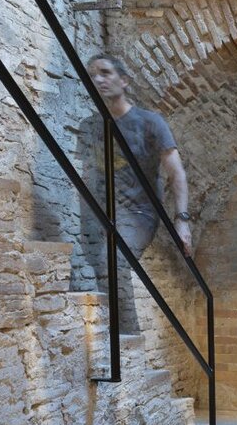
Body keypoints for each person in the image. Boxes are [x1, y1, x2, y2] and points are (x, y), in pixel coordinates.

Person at [80, 53, 193, 332]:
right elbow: (87, 175)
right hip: (100, 214)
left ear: (124, 80)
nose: (99, 79)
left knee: (114, 263)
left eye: (105, 72)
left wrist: (182, 220)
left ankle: (129, 343)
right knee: (87, 272)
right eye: (93, 74)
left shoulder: (150, 122)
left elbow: (176, 172)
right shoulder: (89, 126)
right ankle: (104, 338)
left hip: (139, 213)